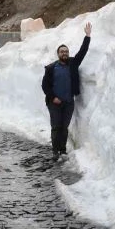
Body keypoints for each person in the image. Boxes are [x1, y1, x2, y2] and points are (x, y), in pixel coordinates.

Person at [41, 22, 92, 161]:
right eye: (62, 51)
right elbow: (45, 85)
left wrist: (87, 36)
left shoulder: (73, 63)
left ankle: (62, 150)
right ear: (58, 54)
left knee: (64, 127)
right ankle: (55, 151)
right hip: (54, 102)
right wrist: (53, 98)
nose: (64, 53)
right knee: (56, 127)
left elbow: (83, 52)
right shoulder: (51, 68)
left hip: (69, 102)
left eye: (66, 51)